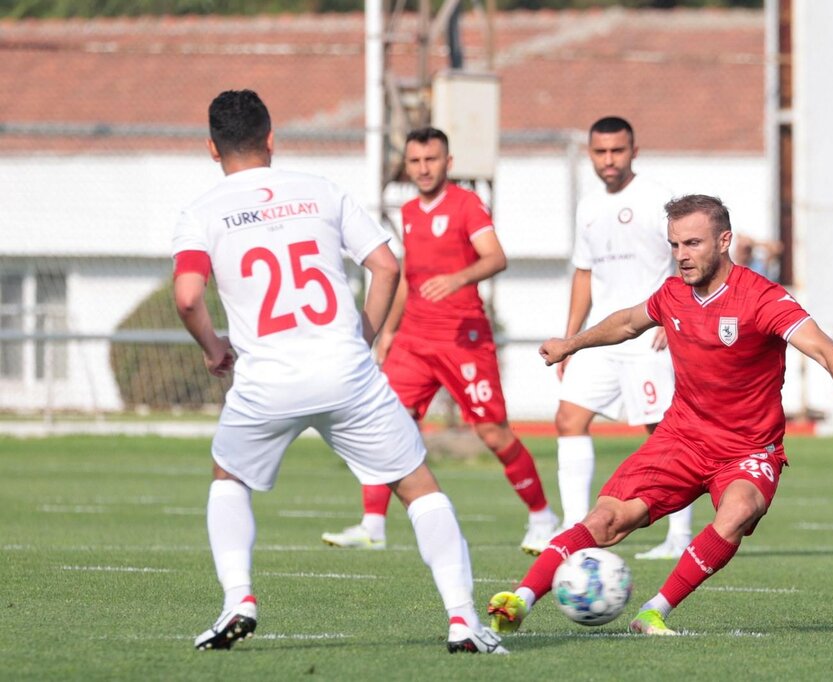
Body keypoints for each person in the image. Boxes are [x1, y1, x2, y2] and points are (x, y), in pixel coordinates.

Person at [174, 90, 506, 654]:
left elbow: (187, 297)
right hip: (346, 370)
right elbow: (386, 266)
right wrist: (365, 336)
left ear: (212, 148)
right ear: (271, 139)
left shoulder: (201, 211)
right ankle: (463, 619)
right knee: (418, 488)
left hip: (266, 380)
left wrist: (212, 348)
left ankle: (238, 599)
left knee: (228, 478)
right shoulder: (321, 189)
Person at [487, 194, 833, 636]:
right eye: (675, 244)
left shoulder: (762, 298)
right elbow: (627, 323)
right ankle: (519, 599)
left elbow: (826, 351)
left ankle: (654, 611)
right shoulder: (672, 295)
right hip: (681, 439)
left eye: (693, 243)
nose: (681, 255)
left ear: (724, 241)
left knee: (739, 510)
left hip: (747, 450)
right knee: (606, 521)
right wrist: (571, 344)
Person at [321, 127, 559, 555]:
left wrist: (457, 278)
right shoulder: (410, 211)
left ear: (448, 163)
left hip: (462, 340)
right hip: (414, 340)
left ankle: (542, 517)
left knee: (492, 432)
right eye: (415, 161)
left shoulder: (467, 205)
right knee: (384, 424)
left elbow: (495, 257)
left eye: (431, 160)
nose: (423, 168)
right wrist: (389, 331)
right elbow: (408, 277)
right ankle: (373, 525)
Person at [555, 116, 692, 560]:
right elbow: (583, 273)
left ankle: (680, 535)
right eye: (600, 152)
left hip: (649, 335)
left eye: (617, 151)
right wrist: (571, 340)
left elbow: (687, 257)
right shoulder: (588, 207)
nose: (609, 159)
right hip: (602, 336)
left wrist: (674, 317)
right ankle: (573, 530)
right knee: (569, 418)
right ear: (590, 154)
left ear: (634, 151)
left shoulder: (657, 199)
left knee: (663, 433)